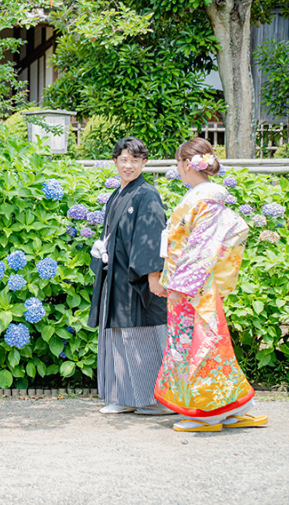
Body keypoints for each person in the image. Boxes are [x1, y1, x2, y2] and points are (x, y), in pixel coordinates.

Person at [154, 138, 267, 432]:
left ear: (187, 164)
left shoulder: (203, 199)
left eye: (178, 163)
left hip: (193, 289)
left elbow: (200, 247)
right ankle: (234, 408)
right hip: (196, 285)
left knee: (198, 347)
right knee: (211, 346)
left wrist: (180, 285)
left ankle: (207, 414)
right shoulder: (203, 197)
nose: (177, 169)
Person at [88, 137, 173, 416]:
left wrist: (153, 276)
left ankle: (156, 400)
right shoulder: (118, 194)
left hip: (136, 281)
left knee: (142, 337)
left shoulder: (146, 194)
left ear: (144, 163)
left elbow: (151, 238)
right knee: (117, 337)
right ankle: (124, 396)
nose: (128, 165)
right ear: (115, 162)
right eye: (123, 160)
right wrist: (101, 248)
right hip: (116, 278)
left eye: (135, 160)